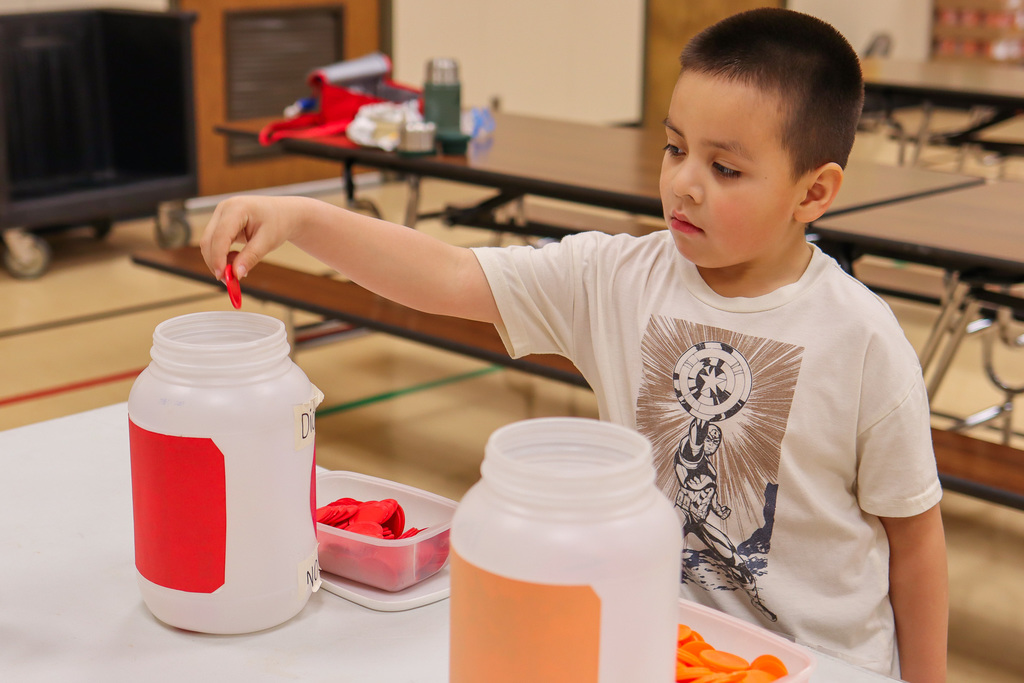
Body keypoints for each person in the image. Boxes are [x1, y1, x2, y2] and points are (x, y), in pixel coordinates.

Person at [200, 8, 947, 680]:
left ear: (813, 193)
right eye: (674, 147)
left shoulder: (863, 338)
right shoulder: (617, 277)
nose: (683, 183)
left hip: (823, 665)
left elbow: (914, 540)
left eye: (724, 168)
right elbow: (451, 274)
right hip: (652, 638)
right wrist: (302, 218)